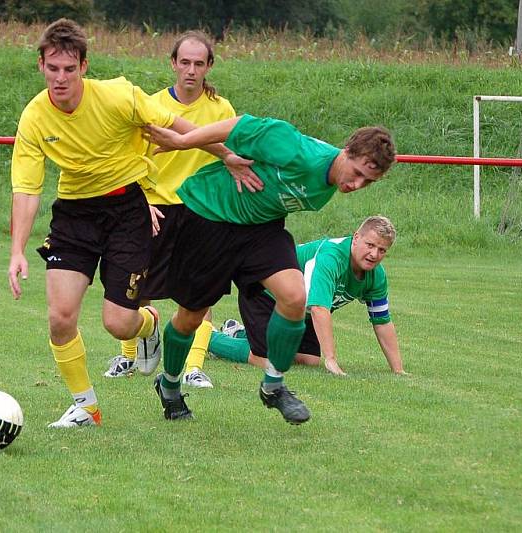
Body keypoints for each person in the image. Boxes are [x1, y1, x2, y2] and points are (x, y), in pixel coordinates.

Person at [7, 19, 258, 429]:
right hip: (74, 215)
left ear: (84, 66)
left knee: (117, 322)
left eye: (69, 69)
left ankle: (149, 325)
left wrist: (227, 156)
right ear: (41, 66)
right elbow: (27, 189)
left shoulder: (119, 96)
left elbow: (178, 126)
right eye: (53, 68)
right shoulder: (35, 117)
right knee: (60, 317)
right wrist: (17, 250)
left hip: (127, 210)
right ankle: (86, 406)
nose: (60, 78)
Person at [144, 114, 396, 424]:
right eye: (357, 173)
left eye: (367, 182)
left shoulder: (330, 181)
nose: (356, 185)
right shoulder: (297, 150)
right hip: (210, 215)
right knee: (191, 317)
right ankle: (169, 385)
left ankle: (273, 386)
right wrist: (183, 142)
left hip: (261, 229)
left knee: (294, 296)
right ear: (346, 152)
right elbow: (240, 125)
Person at [102, 30, 236, 390]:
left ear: (209, 67)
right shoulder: (152, 105)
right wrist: (140, 199)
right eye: (184, 62)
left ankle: (193, 366)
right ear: (173, 64)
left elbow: (229, 161)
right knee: (137, 287)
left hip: (202, 210)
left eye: (199, 63)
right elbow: (133, 157)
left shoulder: (221, 109)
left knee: (200, 293)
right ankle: (130, 355)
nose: (191, 70)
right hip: (156, 205)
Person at [208, 216, 406, 376]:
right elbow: (319, 308)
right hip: (264, 289)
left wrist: (398, 370)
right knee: (268, 360)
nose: (374, 254)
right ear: (356, 238)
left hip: (297, 307)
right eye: (370, 245)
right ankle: (207, 338)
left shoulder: (376, 276)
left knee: (308, 361)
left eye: (382, 250)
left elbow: (382, 321)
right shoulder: (331, 257)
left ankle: (238, 332)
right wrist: (331, 360)